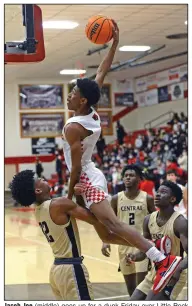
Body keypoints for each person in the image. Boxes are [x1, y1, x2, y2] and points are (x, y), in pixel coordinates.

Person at [62, 20, 182, 294]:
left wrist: (70, 195)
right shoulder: (90, 110)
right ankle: (151, 248)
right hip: (89, 175)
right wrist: (114, 43)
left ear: (82, 101)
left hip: (86, 179)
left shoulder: (73, 127)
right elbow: (102, 70)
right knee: (105, 233)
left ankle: (160, 258)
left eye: (73, 93)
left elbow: (76, 167)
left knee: (112, 224)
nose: (69, 96)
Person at [10, 170, 137, 300]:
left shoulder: (38, 210)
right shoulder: (58, 204)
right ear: (37, 190)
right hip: (71, 269)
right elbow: (95, 218)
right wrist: (88, 194)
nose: (43, 178)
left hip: (56, 271)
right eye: (39, 179)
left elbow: (71, 206)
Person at [127, 181, 187, 301]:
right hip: (155, 271)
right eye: (158, 191)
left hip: (173, 272)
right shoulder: (148, 220)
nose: (158, 194)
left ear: (173, 199)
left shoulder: (180, 222)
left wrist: (178, 269)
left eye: (163, 192)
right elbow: (145, 251)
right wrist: (134, 257)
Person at [101, 165, 156, 296]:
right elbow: (109, 221)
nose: (127, 178)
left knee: (142, 288)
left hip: (141, 245)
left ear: (139, 179)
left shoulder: (147, 198)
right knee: (131, 288)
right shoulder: (116, 198)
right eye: (126, 175)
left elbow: (155, 220)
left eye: (131, 175)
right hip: (123, 244)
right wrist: (105, 241)